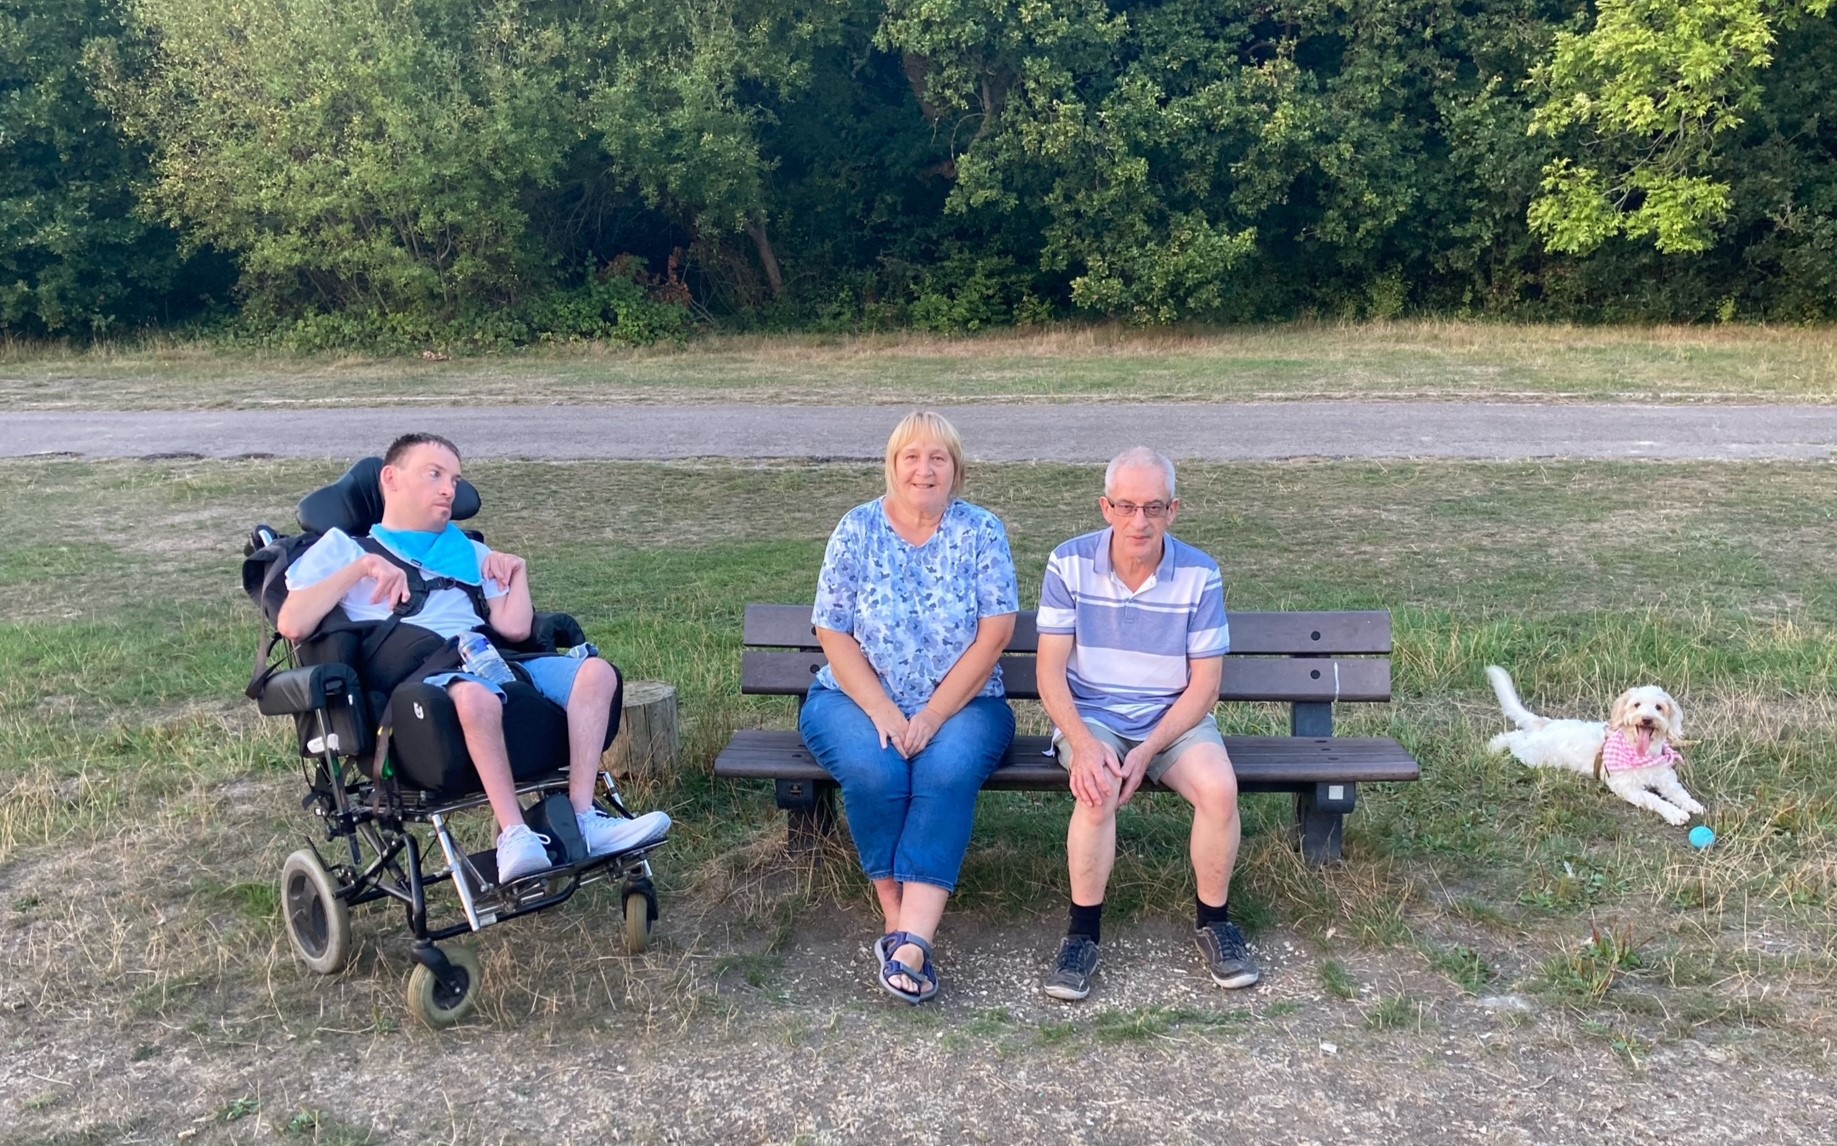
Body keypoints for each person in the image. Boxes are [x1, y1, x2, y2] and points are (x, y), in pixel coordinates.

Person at [277, 432, 669, 882]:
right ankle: (514, 835)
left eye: (455, 479)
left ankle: (583, 818)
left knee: (596, 675)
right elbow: (293, 623)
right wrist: (361, 570)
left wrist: (516, 571)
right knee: (476, 696)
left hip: (490, 658)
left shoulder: (467, 551)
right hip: (419, 682)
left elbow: (516, 628)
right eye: (435, 474)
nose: (450, 489)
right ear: (391, 479)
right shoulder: (345, 549)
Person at [799, 411, 1019, 1003]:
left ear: (956, 470)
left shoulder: (981, 531)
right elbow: (833, 631)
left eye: (938, 458)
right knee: (878, 768)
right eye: (911, 457)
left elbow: (995, 634)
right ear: (893, 466)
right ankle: (896, 915)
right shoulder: (857, 529)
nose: (925, 469)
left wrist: (930, 717)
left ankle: (913, 941)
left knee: (945, 771)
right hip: (852, 699)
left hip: (966, 705)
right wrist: (884, 713)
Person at [1034, 447, 1258, 1001]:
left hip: (1173, 719)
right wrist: (1084, 745)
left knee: (1220, 788)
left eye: (1153, 507)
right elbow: (1048, 672)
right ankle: (1081, 936)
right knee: (1096, 790)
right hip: (1094, 718)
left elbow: (1205, 686)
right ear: (1105, 507)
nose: (1140, 521)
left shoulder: (1200, 574)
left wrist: (1150, 748)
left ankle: (1216, 923)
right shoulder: (1068, 563)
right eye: (1127, 506)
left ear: (1174, 510)